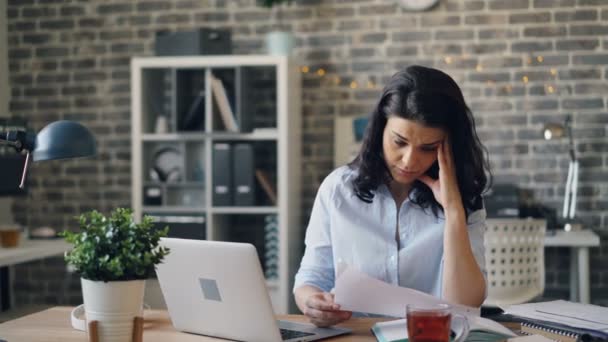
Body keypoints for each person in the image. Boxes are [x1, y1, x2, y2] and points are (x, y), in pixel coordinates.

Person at [293, 65, 491, 327]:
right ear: (380, 131)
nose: (410, 160)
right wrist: (312, 303)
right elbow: (311, 278)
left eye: (428, 148)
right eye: (399, 142)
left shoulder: (463, 198)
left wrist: (453, 210)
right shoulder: (337, 190)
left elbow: (465, 304)